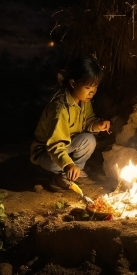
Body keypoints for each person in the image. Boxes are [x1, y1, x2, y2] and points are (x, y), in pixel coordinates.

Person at [30, 56, 110, 191]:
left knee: (89, 139)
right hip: (47, 153)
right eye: (88, 87)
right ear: (73, 83)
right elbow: (55, 145)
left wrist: (98, 125)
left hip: (68, 146)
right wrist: (67, 164)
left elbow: (87, 122)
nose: (92, 92)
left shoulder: (84, 102)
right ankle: (59, 176)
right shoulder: (60, 108)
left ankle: (74, 172)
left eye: (95, 87)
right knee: (57, 163)